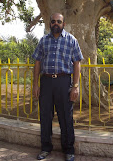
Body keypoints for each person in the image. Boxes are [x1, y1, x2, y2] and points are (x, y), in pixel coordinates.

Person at [32, 13, 83, 161]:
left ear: (64, 24)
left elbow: (77, 63)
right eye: (53, 21)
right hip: (46, 82)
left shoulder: (71, 40)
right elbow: (37, 63)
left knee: (66, 117)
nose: (56, 24)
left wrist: (75, 86)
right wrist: (36, 84)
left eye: (59, 22)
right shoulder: (43, 41)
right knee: (45, 116)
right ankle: (45, 147)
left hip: (64, 82)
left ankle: (68, 150)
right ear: (50, 23)